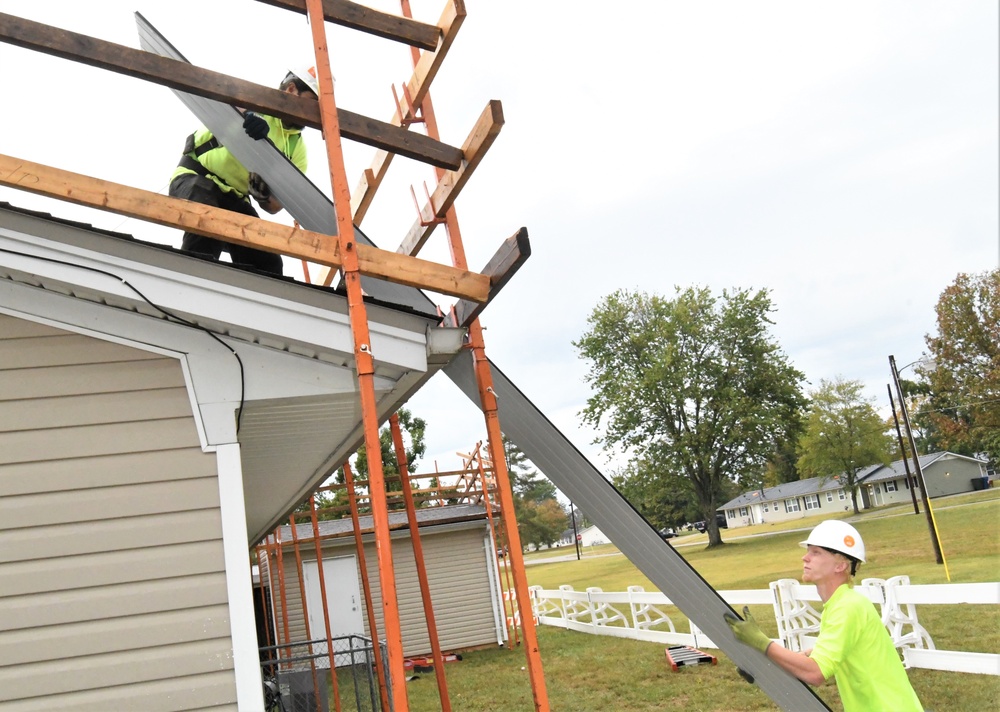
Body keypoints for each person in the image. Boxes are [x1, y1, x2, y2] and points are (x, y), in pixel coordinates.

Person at [724, 519, 923, 712]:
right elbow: (813, 656)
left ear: (841, 565)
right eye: (808, 551)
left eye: (816, 552)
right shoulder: (840, 604)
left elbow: (815, 672)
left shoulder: (848, 607)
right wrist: (762, 666)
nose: (805, 558)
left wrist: (761, 642)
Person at [168, 66, 319, 275]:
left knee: (267, 261)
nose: (313, 114)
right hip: (197, 178)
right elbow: (228, 100)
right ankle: (189, 285)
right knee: (207, 221)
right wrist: (249, 114)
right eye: (312, 103)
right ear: (292, 90)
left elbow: (276, 206)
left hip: (235, 198)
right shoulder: (260, 100)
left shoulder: (297, 149)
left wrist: (264, 197)